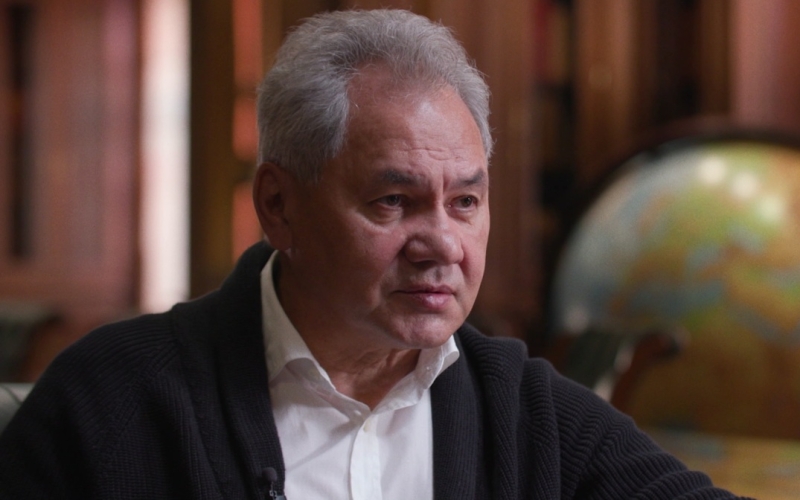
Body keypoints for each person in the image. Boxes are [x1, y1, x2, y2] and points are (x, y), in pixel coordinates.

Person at [0, 9, 748, 500]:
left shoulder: (527, 414)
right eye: (393, 201)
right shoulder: (109, 403)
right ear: (278, 205)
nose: (443, 244)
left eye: (466, 201)